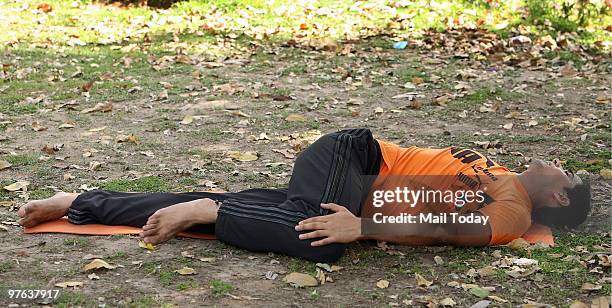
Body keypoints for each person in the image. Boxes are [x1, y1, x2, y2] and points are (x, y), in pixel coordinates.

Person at [17, 128, 590, 263]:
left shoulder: (513, 210)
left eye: (565, 175)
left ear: (559, 202)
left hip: (345, 196)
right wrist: (357, 224)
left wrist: (362, 227)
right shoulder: (499, 172)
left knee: (314, 230)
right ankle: (216, 209)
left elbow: (456, 229)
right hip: (353, 156)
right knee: (319, 233)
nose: (557, 163)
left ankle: (78, 202)